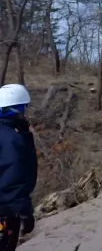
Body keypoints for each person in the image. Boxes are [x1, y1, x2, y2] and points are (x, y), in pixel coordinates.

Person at [0, 84, 38, 250]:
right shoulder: (12, 139)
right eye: (23, 108)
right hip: (5, 213)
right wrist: (23, 211)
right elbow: (13, 177)